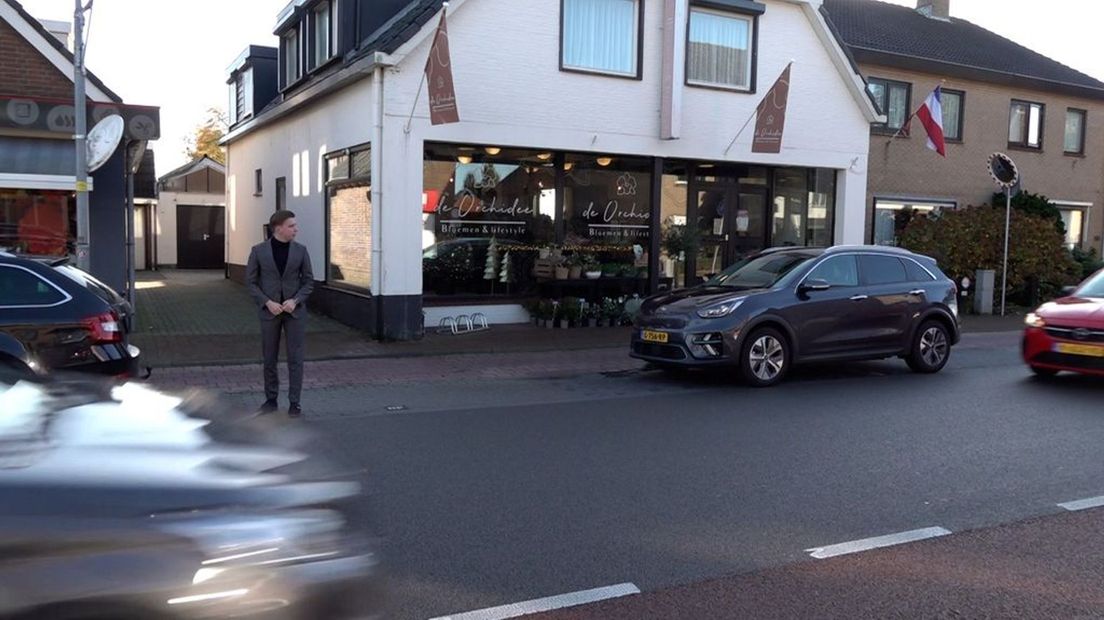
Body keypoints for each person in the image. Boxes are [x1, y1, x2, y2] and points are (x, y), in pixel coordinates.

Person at [246, 210, 314, 418]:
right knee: (269, 358)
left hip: (295, 312)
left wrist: (295, 300)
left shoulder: (301, 251)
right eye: (292, 225)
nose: (296, 229)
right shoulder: (258, 251)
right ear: (279, 228)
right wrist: (267, 302)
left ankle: (295, 403)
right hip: (269, 312)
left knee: (296, 359)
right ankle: (271, 400)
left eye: (295, 225)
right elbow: (250, 282)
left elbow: (309, 281)